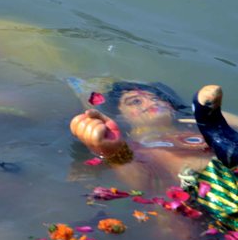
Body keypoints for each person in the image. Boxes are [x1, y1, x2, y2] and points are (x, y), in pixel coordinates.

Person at [69, 80, 238, 191]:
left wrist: (205, 118)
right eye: (135, 101)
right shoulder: (137, 147)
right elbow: (141, 184)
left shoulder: (193, 125)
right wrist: (112, 150)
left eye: (157, 97)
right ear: (122, 116)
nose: (152, 102)